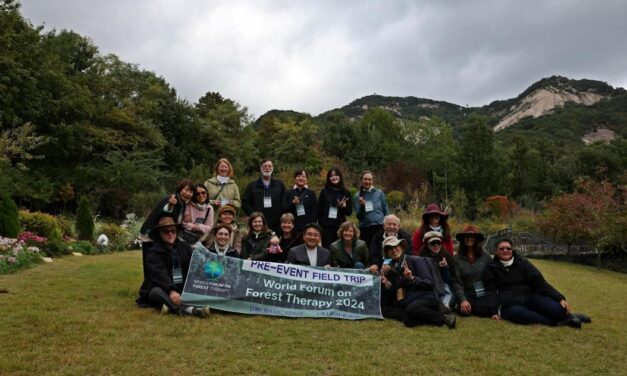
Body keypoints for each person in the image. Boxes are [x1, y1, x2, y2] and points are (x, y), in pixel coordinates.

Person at [483, 239, 590, 328]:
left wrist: (559, 298)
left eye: (508, 248)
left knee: (559, 310)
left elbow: (540, 282)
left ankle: (569, 316)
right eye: (501, 249)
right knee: (520, 315)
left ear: (512, 250)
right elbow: (490, 290)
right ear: (496, 252)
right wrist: (494, 311)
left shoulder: (523, 263)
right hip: (511, 304)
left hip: (530, 297)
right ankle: (560, 322)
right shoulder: (491, 267)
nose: (505, 250)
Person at [136, 215, 210, 317]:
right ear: (160, 234)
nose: (170, 234)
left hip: (182, 287)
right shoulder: (153, 252)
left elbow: (194, 266)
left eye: (173, 231)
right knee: (155, 293)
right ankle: (189, 310)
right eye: (166, 232)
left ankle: (168, 306)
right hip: (163, 288)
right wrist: (171, 290)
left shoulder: (184, 246)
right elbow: (158, 273)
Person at [378, 236, 455, 329]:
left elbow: (429, 283)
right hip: (408, 301)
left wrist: (412, 278)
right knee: (385, 310)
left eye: (396, 247)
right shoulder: (391, 268)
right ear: (387, 254)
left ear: (402, 247)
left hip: (426, 297)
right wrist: (386, 283)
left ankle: (444, 318)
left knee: (410, 310)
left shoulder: (417, 260)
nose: (394, 250)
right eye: (390, 249)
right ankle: (413, 317)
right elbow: (395, 290)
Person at [139, 179, 194, 253]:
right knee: (151, 260)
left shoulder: (183, 204)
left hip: (162, 236)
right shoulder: (171, 199)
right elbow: (165, 212)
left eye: (191, 192)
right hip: (150, 235)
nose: (188, 193)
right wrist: (170, 205)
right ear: (180, 189)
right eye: (186, 190)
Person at [452, 225, 492, 317]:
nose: (469, 239)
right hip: (466, 292)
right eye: (467, 237)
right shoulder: (456, 259)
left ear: (477, 239)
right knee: (464, 312)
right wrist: (463, 300)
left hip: (481, 292)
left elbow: (492, 277)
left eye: (472, 237)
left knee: (484, 311)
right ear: (463, 239)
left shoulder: (486, 257)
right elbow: (456, 282)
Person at [242, 159, 286, 234]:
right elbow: (245, 203)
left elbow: (285, 201)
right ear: (261, 168)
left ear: (272, 168)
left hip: (276, 224)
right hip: (258, 224)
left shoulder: (279, 184)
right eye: (265, 166)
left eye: (269, 166)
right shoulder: (252, 186)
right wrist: (253, 216)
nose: (267, 168)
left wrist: (282, 216)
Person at [419, 231, 457, 310]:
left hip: (444, 287)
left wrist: (444, 268)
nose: (436, 245)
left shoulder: (447, 256)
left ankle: (444, 305)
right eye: (433, 243)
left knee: (447, 293)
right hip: (429, 287)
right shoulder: (421, 258)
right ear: (427, 245)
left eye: (438, 243)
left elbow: (450, 279)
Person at [317, 167, 352, 248]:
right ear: (329, 178)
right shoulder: (324, 191)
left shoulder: (346, 192)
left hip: (340, 226)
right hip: (326, 226)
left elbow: (349, 212)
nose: (334, 177)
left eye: (336, 175)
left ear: (340, 176)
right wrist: (320, 225)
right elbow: (319, 210)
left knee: (340, 248)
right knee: (327, 248)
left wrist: (343, 207)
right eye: (331, 176)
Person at [353, 171, 389, 248]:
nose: (367, 181)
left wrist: (387, 225)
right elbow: (359, 217)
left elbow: (386, 210)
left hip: (380, 227)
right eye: (365, 179)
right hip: (365, 228)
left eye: (369, 179)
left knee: (381, 250)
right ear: (361, 180)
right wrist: (362, 206)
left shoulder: (379, 193)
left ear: (372, 181)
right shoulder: (357, 196)